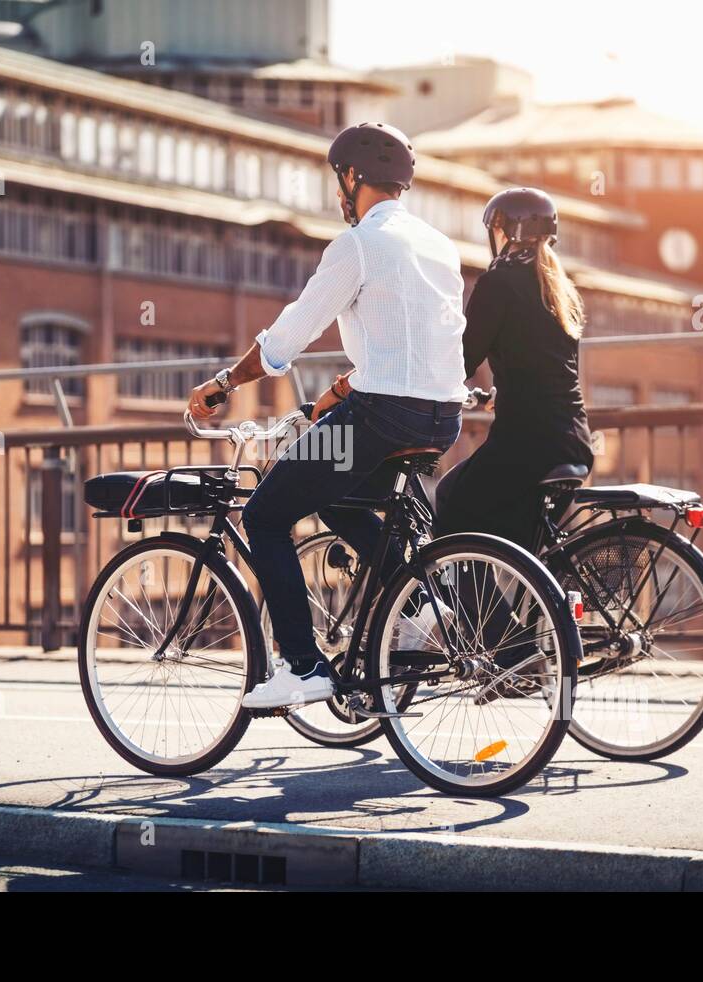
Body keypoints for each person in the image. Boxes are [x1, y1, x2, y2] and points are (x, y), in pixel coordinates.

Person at [186, 122, 467, 710]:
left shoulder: (359, 244)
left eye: (338, 179)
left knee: (265, 515)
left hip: (380, 417)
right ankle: (422, 605)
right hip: (442, 416)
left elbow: (290, 335)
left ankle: (303, 665)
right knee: (341, 499)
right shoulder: (439, 244)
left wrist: (223, 383)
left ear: (352, 178)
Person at [434, 187, 593, 554]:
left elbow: (460, 360)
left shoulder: (497, 283)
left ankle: (487, 615)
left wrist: (425, 385)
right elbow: (550, 372)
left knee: (451, 502)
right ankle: (538, 611)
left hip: (527, 444)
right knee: (520, 551)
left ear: (504, 233)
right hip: (574, 443)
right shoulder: (561, 291)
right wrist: (499, 397)